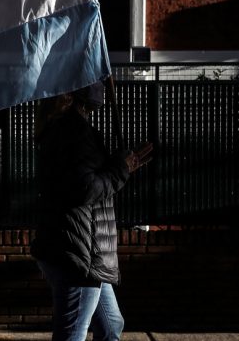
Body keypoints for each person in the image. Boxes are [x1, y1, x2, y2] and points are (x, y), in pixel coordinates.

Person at [30, 80, 153, 341]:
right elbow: (86, 189)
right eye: (93, 80)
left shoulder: (63, 129)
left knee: (110, 325)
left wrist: (122, 165)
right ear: (73, 93)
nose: (100, 86)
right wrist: (121, 169)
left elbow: (78, 180)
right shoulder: (74, 132)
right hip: (78, 251)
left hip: (79, 247)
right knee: (73, 332)